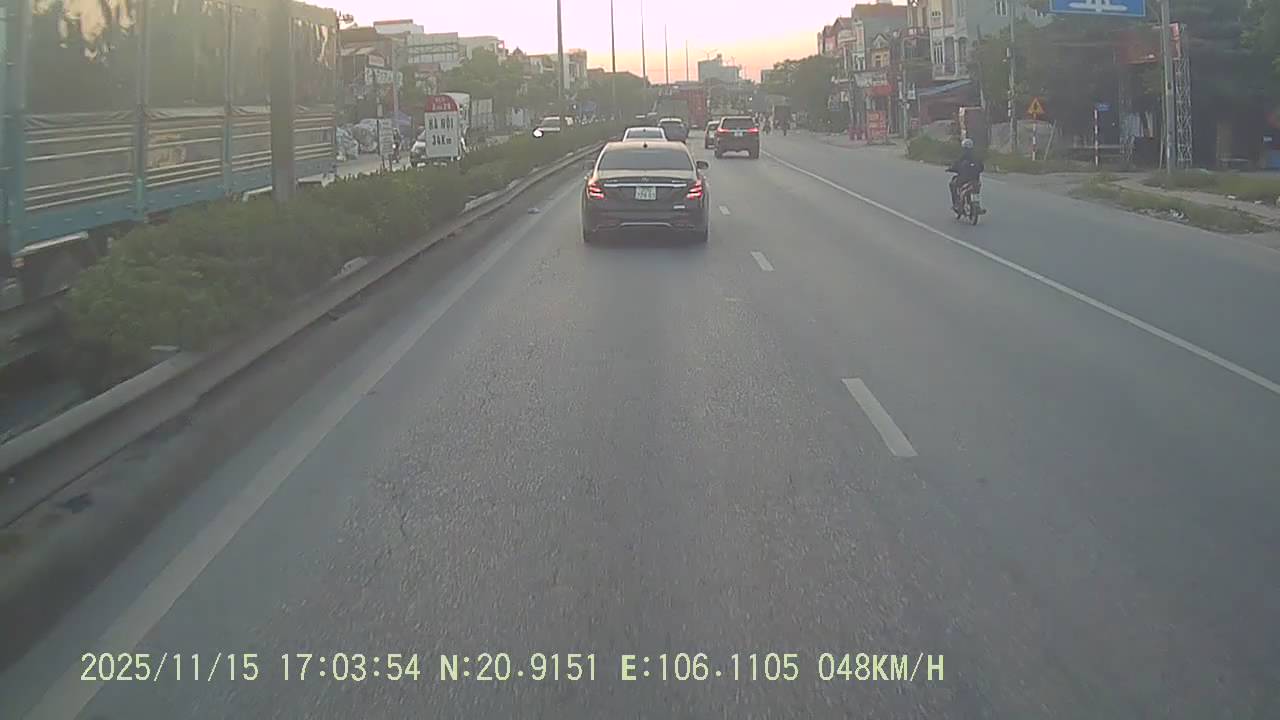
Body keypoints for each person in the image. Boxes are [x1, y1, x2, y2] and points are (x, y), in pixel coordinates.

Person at [947, 138, 984, 212]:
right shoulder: (976, 156)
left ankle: (956, 204)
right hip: (975, 180)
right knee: (976, 190)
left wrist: (950, 169)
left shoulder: (962, 156)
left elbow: (955, 165)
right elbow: (982, 167)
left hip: (963, 180)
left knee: (952, 184)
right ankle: (977, 206)